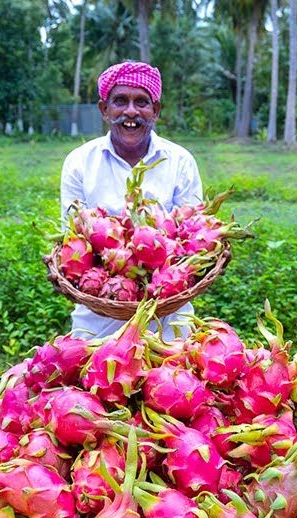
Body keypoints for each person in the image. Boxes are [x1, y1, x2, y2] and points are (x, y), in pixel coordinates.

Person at [59, 60, 203, 341]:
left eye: (142, 102)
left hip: (168, 318)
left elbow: (192, 234)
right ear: (104, 109)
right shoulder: (79, 163)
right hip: (99, 318)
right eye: (120, 101)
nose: (131, 112)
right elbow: (72, 238)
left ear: (156, 111)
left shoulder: (180, 162)